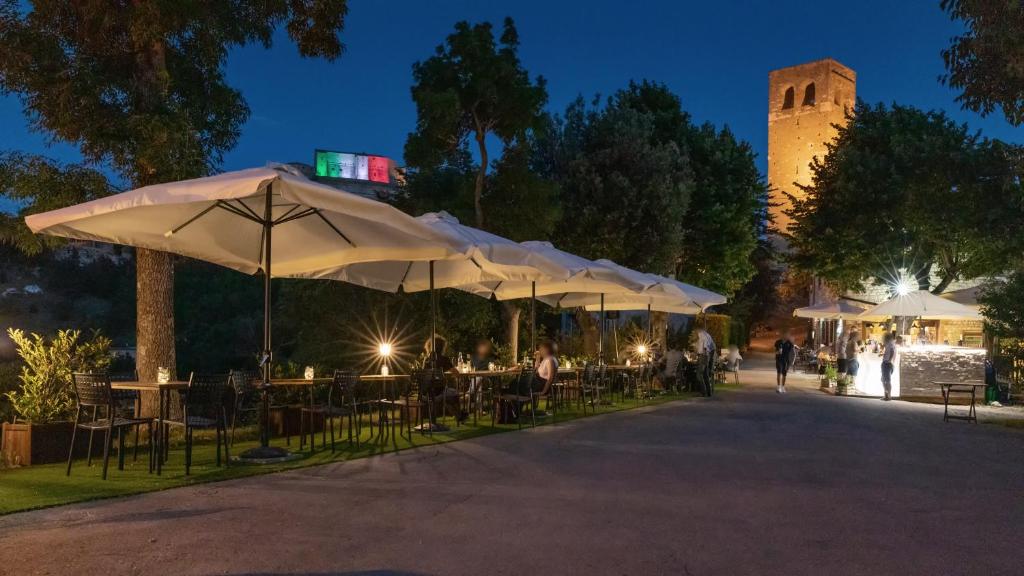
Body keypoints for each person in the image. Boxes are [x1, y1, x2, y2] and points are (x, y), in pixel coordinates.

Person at [693, 324, 716, 397]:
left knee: (699, 374)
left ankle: (704, 392)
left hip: (703, 356)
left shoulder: (702, 335)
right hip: (706, 356)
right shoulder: (708, 335)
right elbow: (712, 347)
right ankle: (709, 392)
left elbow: (705, 346)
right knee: (705, 375)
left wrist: (704, 355)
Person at [881, 332, 897, 401]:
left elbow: (892, 351)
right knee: (883, 380)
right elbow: (891, 352)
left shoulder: (890, 344)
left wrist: (889, 360)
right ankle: (886, 395)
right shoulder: (890, 344)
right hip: (888, 363)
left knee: (887, 380)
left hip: (887, 364)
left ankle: (888, 396)